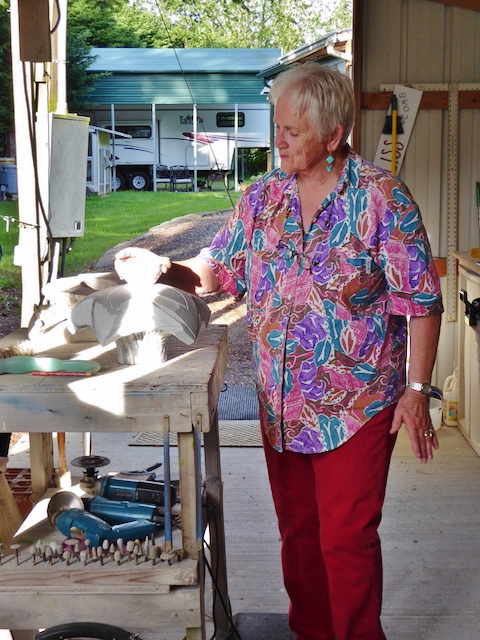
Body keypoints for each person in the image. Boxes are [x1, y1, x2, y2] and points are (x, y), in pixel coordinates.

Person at [115, 62, 443, 640]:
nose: (278, 139)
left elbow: (421, 300)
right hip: (282, 405)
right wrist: (166, 268)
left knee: (346, 538)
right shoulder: (262, 197)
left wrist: (416, 392)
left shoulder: (381, 198)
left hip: (356, 404)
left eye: (293, 130)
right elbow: (220, 269)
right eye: (277, 125)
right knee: (297, 535)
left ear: (334, 136)